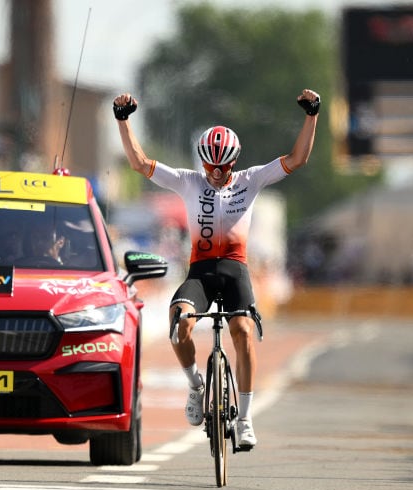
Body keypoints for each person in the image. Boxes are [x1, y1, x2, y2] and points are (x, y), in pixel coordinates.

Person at [112, 88, 320, 450]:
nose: (217, 174)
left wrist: (311, 115)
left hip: (236, 270)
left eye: (224, 168)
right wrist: (123, 120)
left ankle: (245, 419)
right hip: (201, 273)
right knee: (179, 321)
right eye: (211, 167)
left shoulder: (251, 179)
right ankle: (196, 386)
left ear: (235, 162)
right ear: (203, 163)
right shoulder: (188, 181)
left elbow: (297, 158)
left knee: (242, 330)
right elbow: (140, 163)